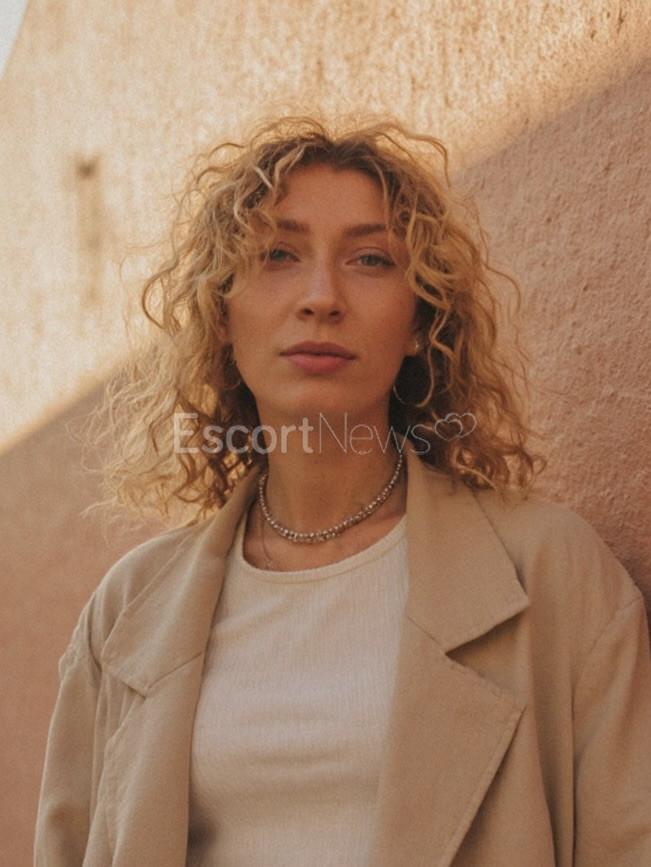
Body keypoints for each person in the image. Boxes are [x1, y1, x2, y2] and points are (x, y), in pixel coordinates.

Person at [35, 117, 651, 866]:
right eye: (278, 254)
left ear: (421, 319)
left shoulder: (551, 573)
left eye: (369, 259)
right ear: (221, 314)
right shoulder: (128, 609)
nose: (321, 297)